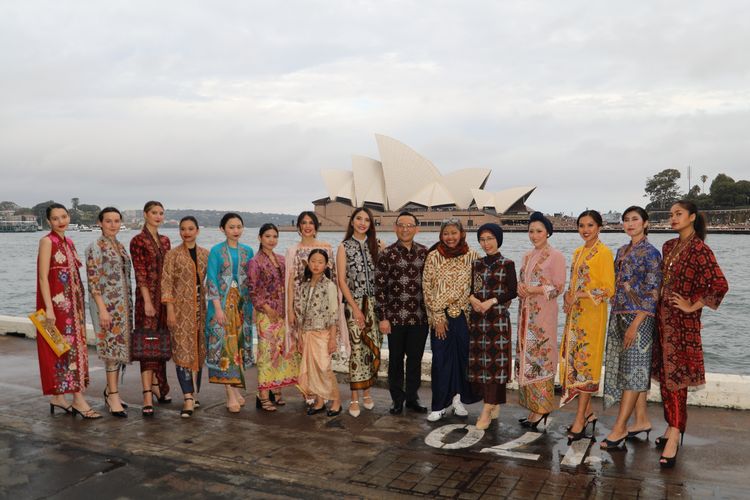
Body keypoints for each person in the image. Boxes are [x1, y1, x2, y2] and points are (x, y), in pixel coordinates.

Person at [652, 200, 728, 468]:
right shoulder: (669, 246)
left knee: (677, 380)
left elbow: (719, 284)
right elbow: (663, 281)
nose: (673, 218)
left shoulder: (700, 249)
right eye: (671, 214)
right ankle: (672, 426)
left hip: (682, 325)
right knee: (666, 377)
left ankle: (674, 433)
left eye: (678, 214)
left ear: (692, 217)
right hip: (662, 322)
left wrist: (692, 305)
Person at [600, 206, 662, 450]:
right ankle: (642, 419)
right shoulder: (622, 250)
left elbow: (652, 292)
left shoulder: (651, 253)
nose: (629, 223)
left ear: (645, 223)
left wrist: (636, 324)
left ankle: (619, 428)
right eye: (626, 220)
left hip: (640, 318)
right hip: (618, 314)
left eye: (635, 219)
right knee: (628, 367)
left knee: (635, 370)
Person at [36, 203, 100, 419]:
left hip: (74, 308)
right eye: (55, 218)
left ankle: (58, 396)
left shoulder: (69, 242)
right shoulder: (47, 242)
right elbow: (43, 277)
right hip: (59, 309)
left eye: (64, 216)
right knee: (65, 350)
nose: (61, 221)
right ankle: (78, 399)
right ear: (48, 221)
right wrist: (49, 309)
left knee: (70, 349)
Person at [560, 210, 615, 442]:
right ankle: (588, 413)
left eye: (590, 225)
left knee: (585, 367)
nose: (585, 230)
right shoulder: (577, 252)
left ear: (599, 227)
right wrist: (567, 296)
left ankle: (580, 419)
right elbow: (573, 284)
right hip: (575, 317)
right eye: (581, 225)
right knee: (575, 365)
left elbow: (608, 289)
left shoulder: (603, 253)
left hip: (592, 318)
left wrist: (579, 295)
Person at [422, 219, 481, 422]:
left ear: (462, 233)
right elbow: (427, 288)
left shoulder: (472, 256)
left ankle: (458, 400)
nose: (450, 237)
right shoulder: (433, 256)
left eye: (454, 233)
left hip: (464, 316)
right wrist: (437, 316)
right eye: (446, 233)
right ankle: (439, 405)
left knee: (463, 359)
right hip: (441, 316)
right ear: (441, 235)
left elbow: (479, 285)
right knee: (441, 360)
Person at [375, 212, 429, 415]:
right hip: (395, 318)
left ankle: (413, 397)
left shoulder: (425, 253)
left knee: (415, 360)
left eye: (410, 225)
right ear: (395, 228)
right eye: (401, 225)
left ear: (417, 228)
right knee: (396, 360)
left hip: (420, 317)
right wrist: (383, 317)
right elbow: (379, 288)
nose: (405, 229)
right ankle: (397, 399)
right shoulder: (386, 254)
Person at [516, 212, 566, 431]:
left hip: (543, 316)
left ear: (548, 232)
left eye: (538, 231)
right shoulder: (527, 256)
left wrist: (534, 289)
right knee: (528, 356)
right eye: (531, 231)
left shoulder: (556, 256)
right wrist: (520, 289)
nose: (534, 235)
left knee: (541, 356)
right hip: (526, 314)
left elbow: (558, 288)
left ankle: (542, 408)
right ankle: (533, 406)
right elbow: (521, 282)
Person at [285, 211, 340, 403]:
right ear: (299, 226)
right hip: (301, 310)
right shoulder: (293, 250)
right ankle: (311, 393)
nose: (307, 226)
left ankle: (324, 395)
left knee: (322, 360)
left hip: (322, 313)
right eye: (303, 223)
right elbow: (291, 283)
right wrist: (290, 310)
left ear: (316, 226)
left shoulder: (326, 248)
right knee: (304, 356)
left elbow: (332, 281)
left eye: (311, 222)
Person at [467, 223, 517, 430]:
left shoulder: (507, 263)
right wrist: (472, 299)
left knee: (496, 365)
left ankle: (487, 409)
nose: (486, 243)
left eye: (490, 238)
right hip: (478, 320)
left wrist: (492, 301)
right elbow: (470, 288)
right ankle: (493, 403)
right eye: (482, 239)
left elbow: (512, 291)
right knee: (482, 365)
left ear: (498, 239)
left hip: (497, 321)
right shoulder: (476, 264)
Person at [247, 223, 300, 412]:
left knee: (281, 353)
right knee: (266, 355)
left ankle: (276, 390)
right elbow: (253, 289)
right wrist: (266, 308)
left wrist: (289, 311)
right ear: (260, 238)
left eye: (274, 236)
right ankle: (262, 395)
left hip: (283, 314)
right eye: (268, 236)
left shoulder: (281, 259)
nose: (271, 240)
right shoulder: (255, 261)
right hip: (266, 315)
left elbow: (288, 286)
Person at [85, 207, 132, 418]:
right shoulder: (95, 246)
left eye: (116, 221)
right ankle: (112, 395)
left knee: (119, 349)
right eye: (108, 221)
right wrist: (103, 309)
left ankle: (111, 391)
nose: (113, 225)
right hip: (106, 307)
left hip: (122, 307)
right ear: (100, 223)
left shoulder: (120, 246)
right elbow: (93, 281)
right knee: (111, 351)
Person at [205, 213, 254, 413]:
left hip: (242, 306)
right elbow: (212, 280)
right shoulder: (216, 251)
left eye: (238, 226)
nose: (236, 230)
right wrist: (217, 308)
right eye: (231, 227)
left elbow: (251, 280)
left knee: (238, 347)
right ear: (222, 229)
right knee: (225, 347)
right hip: (223, 306)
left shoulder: (248, 251)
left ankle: (236, 388)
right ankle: (229, 394)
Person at [336, 207, 382, 417]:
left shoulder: (377, 245)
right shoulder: (344, 247)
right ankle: (354, 398)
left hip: (375, 305)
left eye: (367, 220)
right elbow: (341, 281)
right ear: (352, 221)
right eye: (359, 219)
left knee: (372, 349)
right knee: (357, 348)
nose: (363, 223)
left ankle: (368, 393)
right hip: (354, 304)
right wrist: (355, 309)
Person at [161, 216, 209, 418]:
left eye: (190, 228)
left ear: (197, 231)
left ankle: (194, 394)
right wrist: (170, 309)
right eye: (183, 229)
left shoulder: (206, 254)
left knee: (198, 352)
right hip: (180, 312)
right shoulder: (172, 255)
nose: (186, 232)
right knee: (182, 352)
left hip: (201, 311)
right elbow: (166, 283)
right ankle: (187, 397)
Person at [130, 200, 172, 416]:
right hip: (146, 298)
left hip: (163, 299)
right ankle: (147, 393)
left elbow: (169, 273)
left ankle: (158, 386)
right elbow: (140, 272)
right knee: (148, 346)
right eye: (154, 212)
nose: (158, 216)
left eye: (161, 213)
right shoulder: (137, 240)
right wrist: (147, 300)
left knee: (161, 343)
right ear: (145, 214)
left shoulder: (165, 241)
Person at [294, 249, 342, 417]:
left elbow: (333, 314)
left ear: (326, 265)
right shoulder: (304, 285)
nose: (316, 265)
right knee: (312, 369)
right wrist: (300, 337)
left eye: (320, 262)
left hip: (323, 333)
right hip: (307, 333)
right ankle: (320, 401)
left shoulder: (329, 285)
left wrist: (332, 339)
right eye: (313, 261)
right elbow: (300, 314)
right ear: (308, 263)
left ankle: (336, 400)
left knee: (324, 368)